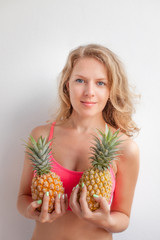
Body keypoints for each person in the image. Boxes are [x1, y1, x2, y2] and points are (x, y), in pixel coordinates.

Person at [17, 44, 140, 240]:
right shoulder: (40, 136)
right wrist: (30, 211)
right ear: (68, 85)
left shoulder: (125, 148)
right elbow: (23, 197)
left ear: (111, 89)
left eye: (100, 83)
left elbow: (123, 217)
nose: (89, 92)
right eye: (80, 80)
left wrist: (105, 220)